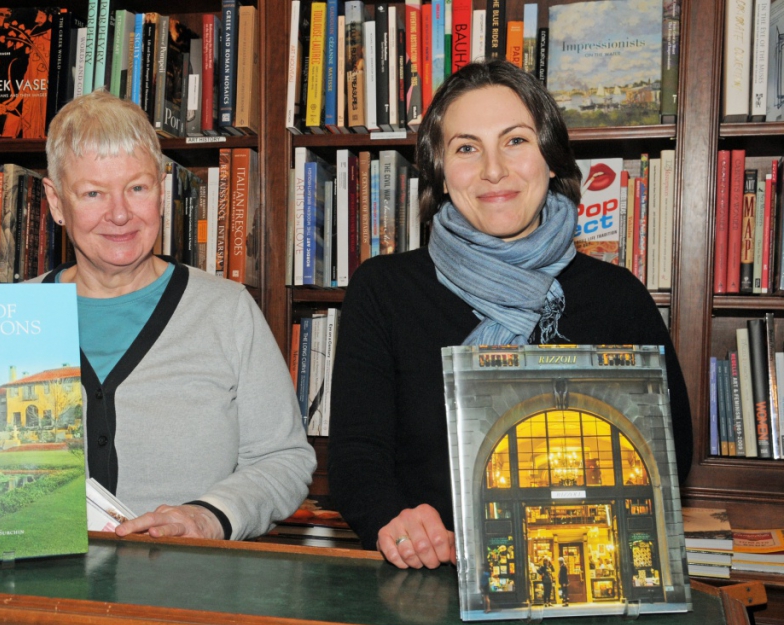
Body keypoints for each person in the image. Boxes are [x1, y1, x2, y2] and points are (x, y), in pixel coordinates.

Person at [327, 60, 693, 570]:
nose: (493, 169)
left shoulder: (618, 298)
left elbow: (666, 455)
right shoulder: (383, 290)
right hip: (431, 581)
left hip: (585, 578)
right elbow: (355, 457)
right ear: (439, 170)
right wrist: (395, 520)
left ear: (551, 158)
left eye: (516, 141)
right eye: (467, 147)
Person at [37, 89, 316, 540]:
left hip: (187, 592)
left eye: (137, 188)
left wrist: (212, 516)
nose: (120, 214)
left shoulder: (227, 311)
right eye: (93, 193)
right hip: (37, 599)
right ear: (55, 202)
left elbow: (283, 458)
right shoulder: (8, 319)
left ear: (161, 191)